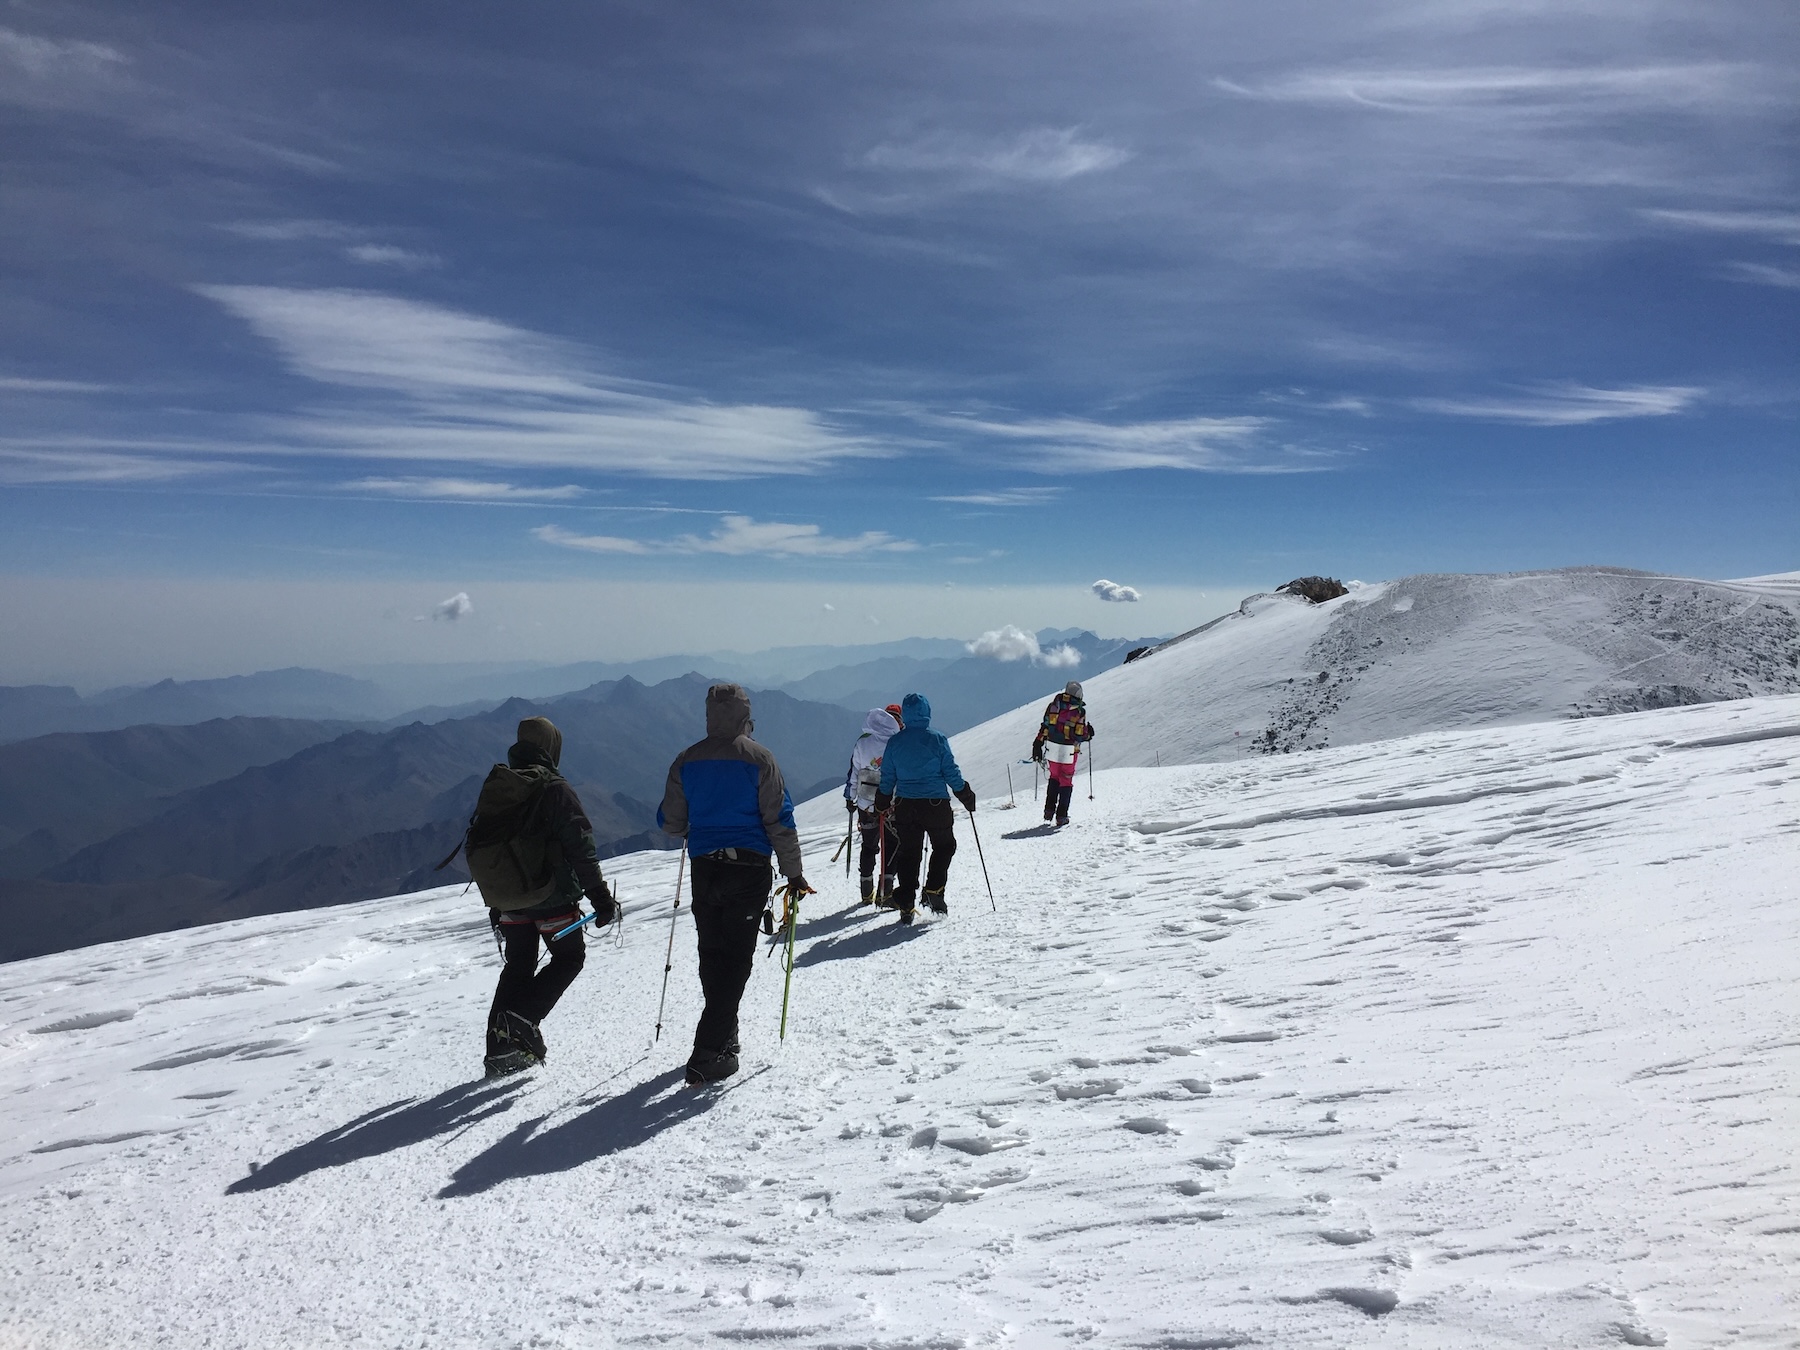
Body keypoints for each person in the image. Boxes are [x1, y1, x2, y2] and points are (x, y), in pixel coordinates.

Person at [657, 683, 809, 1086]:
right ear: (746, 716)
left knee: (713, 954)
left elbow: (670, 824)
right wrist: (794, 874)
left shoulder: (686, 759)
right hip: (748, 868)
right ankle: (709, 1051)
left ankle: (724, 1035)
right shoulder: (760, 759)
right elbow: (781, 820)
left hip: (705, 867)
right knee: (737, 960)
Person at [475, 716, 617, 1078]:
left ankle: (499, 1049)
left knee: (519, 966)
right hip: (552, 896)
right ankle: (523, 1021)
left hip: (508, 900)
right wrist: (600, 897)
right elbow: (580, 847)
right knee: (569, 958)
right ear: (552, 747)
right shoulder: (555, 788)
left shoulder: (502, 786)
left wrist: (496, 901)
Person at [872, 692, 976, 925]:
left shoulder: (895, 742)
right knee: (945, 846)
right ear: (927, 712)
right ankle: (934, 891)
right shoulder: (937, 739)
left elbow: (888, 776)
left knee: (909, 853)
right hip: (935, 805)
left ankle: (906, 899)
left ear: (905, 715)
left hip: (905, 805)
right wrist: (964, 794)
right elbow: (950, 772)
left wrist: (882, 800)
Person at [843, 704, 902, 905]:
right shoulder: (898, 742)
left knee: (869, 845)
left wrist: (849, 797)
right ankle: (885, 892)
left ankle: (866, 892)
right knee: (891, 845)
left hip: (865, 803)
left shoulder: (863, 742)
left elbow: (855, 772)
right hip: (891, 803)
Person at [1032, 680, 1095, 827]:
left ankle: (1049, 810)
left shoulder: (1054, 705)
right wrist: (1089, 734)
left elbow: (1046, 725)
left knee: (1054, 777)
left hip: (1052, 746)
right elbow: (1079, 734)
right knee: (1065, 780)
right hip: (1069, 750)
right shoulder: (1079, 711)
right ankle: (1061, 816)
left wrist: (1038, 742)